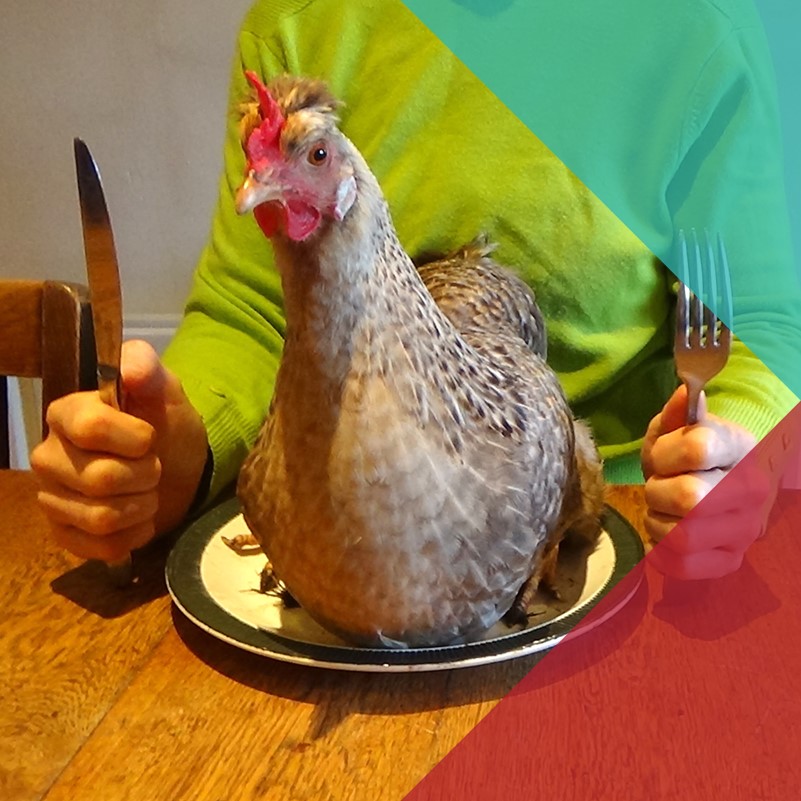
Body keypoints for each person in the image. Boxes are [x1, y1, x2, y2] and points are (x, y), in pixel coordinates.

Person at [31, 0, 800, 581]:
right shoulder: (301, 20)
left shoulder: (695, 26)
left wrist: (732, 451)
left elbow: (766, 322)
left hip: (609, 538)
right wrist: (174, 450)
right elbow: (254, 310)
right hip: (346, 526)